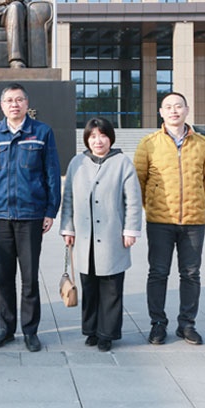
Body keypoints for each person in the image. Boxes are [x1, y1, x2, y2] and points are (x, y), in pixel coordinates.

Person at [0, 83, 62, 352]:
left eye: (19, 100)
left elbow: (52, 173)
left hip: (31, 215)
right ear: (1, 105)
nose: (14, 105)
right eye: (9, 100)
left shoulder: (42, 132)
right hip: (0, 215)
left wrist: (50, 210)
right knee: (3, 276)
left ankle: (30, 331)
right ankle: (6, 329)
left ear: (27, 104)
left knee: (29, 277)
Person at [133, 92, 205, 346]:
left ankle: (187, 324)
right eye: (168, 107)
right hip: (160, 221)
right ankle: (158, 324)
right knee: (158, 273)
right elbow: (139, 180)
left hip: (193, 221)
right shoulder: (149, 143)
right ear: (161, 112)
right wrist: (152, 204)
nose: (173, 111)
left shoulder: (201, 143)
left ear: (186, 110)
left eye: (178, 106)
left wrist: (195, 199)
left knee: (191, 273)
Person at [59, 117, 142, 352]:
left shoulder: (123, 163)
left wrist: (130, 230)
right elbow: (69, 198)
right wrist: (67, 228)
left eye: (103, 136)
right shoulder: (77, 163)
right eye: (93, 136)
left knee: (111, 287)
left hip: (112, 237)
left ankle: (107, 333)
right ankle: (91, 330)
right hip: (84, 238)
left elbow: (133, 200)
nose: (98, 141)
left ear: (110, 138)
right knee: (89, 286)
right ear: (87, 139)